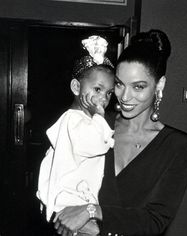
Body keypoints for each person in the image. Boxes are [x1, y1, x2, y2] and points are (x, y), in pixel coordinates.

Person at [53, 29, 187, 236]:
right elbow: (59, 176)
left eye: (138, 87)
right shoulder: (96, 124)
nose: (125, 97)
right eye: (119, 84)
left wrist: (93, 214)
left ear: (160, 85)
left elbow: (155, 220)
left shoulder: (179, 145)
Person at [36, 35, 115, 230]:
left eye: (108, 93)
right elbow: (96, 143)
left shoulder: (83, 120)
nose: (103, 98)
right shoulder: (73, 119)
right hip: (70, 202)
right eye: (97, 89)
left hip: (79, 199)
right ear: (76, 87)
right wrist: (99, 117)